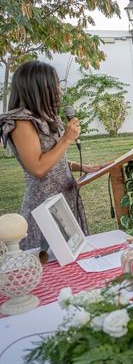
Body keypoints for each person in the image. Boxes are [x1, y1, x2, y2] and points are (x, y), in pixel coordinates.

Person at [0, 61, 107, 252]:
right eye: (56, 84)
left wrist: (81, 167)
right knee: (51, 262)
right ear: (39, 87)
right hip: (45, 204)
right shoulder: (21, 122)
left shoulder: (45, 117)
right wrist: (66, 139)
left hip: (64, 197)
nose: (59, 90)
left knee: (73, 257)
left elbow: (51, 158)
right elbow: (38, 168)